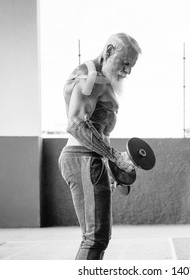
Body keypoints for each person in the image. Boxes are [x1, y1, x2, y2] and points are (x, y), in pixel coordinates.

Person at [58, 33, 141, 260]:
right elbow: (75, 125)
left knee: (97, 237)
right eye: (125, 63)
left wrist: (112, 167)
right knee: (95, 238)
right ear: (109, 51)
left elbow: (97, 127)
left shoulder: (98, 78)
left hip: (91, 159)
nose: (128, 71)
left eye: (131, 66)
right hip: (83, 158)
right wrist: (114, 156)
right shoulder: (92, 79)